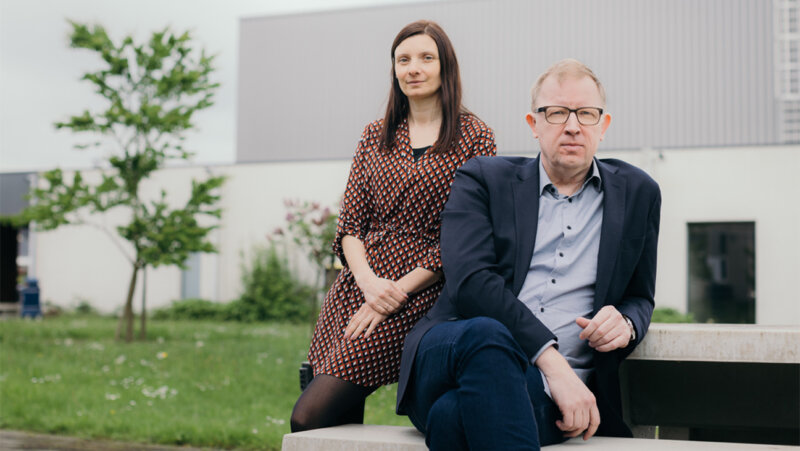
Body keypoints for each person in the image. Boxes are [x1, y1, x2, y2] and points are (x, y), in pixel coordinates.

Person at [396, 59, 661, 450]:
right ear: (533, 124)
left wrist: (627, 321)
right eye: (556, 113)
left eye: (586, 114)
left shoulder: (639, 192)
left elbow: (641, 295)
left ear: (603, 126)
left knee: (452, 417)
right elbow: (470, 284)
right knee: (490, 334)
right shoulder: (483, 178)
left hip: (544, 397)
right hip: (456, 350)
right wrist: (554, 365)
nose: (572, 126)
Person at [290, 20, 497, 432]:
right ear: (394, 70)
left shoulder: (475, 137)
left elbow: (465, 238)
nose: (413, 68)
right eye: (403, 60)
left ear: (445, 67)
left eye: (425, 58)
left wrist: (394, 291)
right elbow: (350, 224)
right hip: (356, 284)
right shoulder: (375, 134)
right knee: (333, 423)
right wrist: (367, 281)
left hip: (418, 291)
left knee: (309, 414)